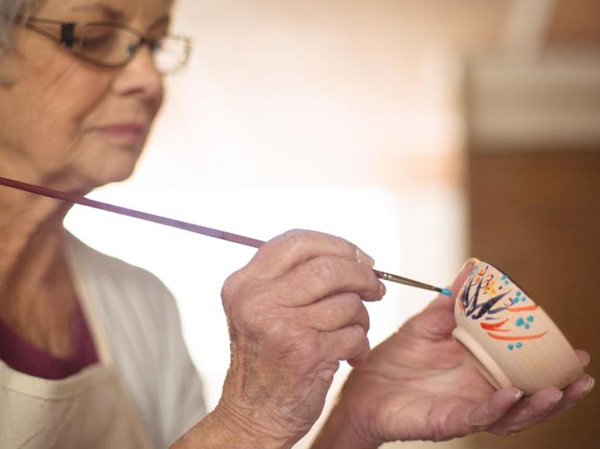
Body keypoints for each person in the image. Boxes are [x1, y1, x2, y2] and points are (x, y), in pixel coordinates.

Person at [0, 0, 593, 448]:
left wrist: (352, 422)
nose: (149, 81)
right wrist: (250, 418)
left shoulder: (141, 302)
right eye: (96, 37)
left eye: (155, 46)